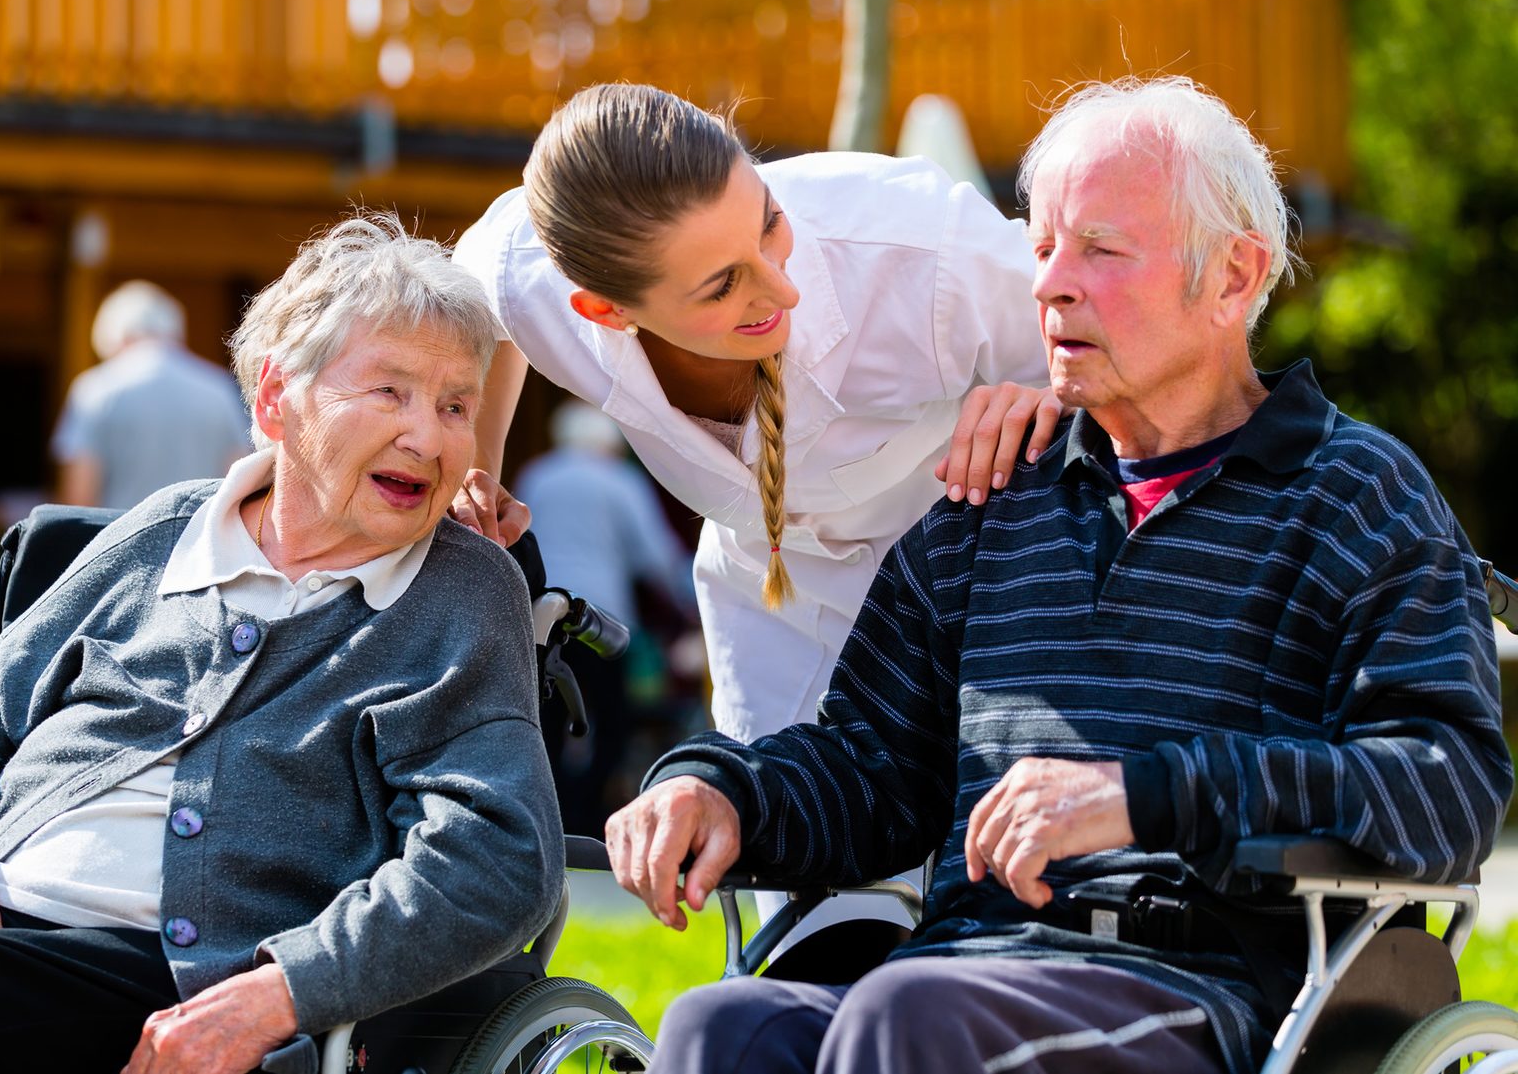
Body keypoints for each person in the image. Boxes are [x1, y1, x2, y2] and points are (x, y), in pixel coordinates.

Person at [604, 76, 1514, 1074]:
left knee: (908, 1014)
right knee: (716, 1027)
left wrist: (1148, 794)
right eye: (1041, 248)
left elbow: (1447, 785)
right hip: (967, 963)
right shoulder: (996, 498)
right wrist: (717, 786)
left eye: (1100, 250)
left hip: (1208, 987)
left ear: (1233, 278)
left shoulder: (1356, 495)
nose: (1047, 285)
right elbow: (867, 763)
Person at [0, 216, 563, 1074]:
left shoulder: (460, 590)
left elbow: (498, 853)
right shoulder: (164, 532)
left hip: (164, 979)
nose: (432, 437)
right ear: (273, 401)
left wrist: (277, 991)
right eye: (390, 393)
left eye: (455, 405)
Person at [451, 83, 1055, 966]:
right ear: (604, 311)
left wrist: (1044, 391)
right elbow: (481, 297)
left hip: (983, 583)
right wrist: (476, 467)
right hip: (777, 596)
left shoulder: (921, 245)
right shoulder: (540, 273)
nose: (781, 284)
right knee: (802, 900)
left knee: (991, 890)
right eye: (723, 284)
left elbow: (1127, 344)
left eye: (768, 222)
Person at [515, 398, 697, 835]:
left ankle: (550, 817)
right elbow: (654, 556)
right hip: (598, 620)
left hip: (541, 616)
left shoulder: (536, 474)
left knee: (548, 720)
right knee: (612, 719)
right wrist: (695, 602)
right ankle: (590, 815)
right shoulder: (620, 480)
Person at [53, 279, 252, 509]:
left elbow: (79, 495)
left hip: (120, 540)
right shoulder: (219, 389)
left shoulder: (96, 389)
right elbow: (239, 480)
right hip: (200, 540)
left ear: (115, 338)